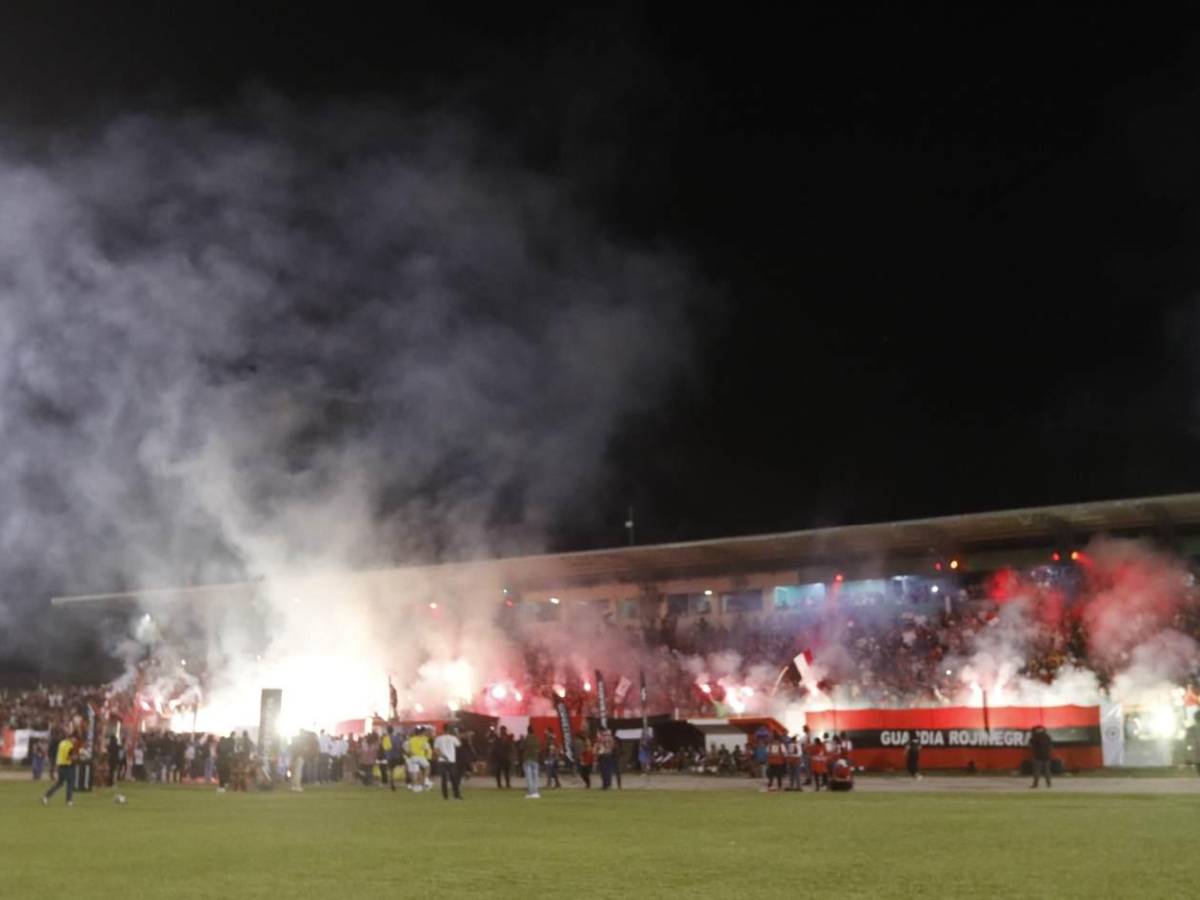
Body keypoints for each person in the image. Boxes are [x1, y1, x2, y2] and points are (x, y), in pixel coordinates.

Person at [42, 732, 78, 807]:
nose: (75, 741)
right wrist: (76, 757)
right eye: (75, 739)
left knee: (59, 784)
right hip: (68, 766)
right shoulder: (70, 746)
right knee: (70, 784)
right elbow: (69, 757)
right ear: (72, 738)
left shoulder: (62, 743)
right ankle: (69, 801)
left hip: (60, 766)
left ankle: (46, 796)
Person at [434, 725, 463, 800]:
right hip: (451, 760)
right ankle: (456, 795)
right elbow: (459, 745)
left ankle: (445, 796)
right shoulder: (453, 738)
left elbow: (436, 750)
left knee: (444, 779)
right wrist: (457, 735)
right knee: (454, 778)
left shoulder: (438, 738)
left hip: (442, 760)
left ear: (443, 730)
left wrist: (442, 756)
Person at [404, 726, 433, 792]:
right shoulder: (423, 739)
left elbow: (407, 750)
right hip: (420, 756)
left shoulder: (410, 740)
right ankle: (425, 780)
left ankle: (416, 787)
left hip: (412, 757)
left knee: (415, 773)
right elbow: (426, 748)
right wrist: (428, 756)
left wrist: (410, 755)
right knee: (428, 767)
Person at [1030, 724, 1054, 789]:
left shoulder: (1035, 737)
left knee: (1037, 771)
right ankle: (1049, 784)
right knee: (1047, 771)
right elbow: (1051, 746)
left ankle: (1035, 784)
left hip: (1038, 756)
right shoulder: (1047, 736)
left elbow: (1031, 744)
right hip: (1046, 756)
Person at [521, 730, 541, 798]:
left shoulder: (526, 739)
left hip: (527, 759)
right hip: (535, 759)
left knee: (529, 777)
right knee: (535, 777)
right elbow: (539, 748)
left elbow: (521, 747)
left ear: (527, 731)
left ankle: (530, 792)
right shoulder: (536, 739)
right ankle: (536, 792)